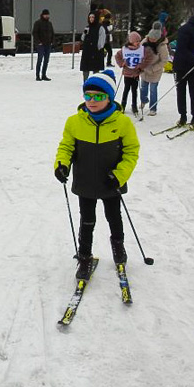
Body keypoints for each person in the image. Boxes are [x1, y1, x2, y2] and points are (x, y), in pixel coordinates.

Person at [54, 69, 140, 278]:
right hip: (85, 181)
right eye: (88, 95)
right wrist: (61, 164)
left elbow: (131, 152)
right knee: (87, 220)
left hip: (111, 182)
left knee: (113, 217)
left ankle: (118, 247)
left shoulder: (122, 123)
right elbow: (66, 147)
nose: (92, 101)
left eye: (99, 96)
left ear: (109, 98)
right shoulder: (75, 122)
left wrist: (119, 175)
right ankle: (84, 257)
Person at [115, 30, 155, 116]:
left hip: (136, 74)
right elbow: (117, 56)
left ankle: (134, 106)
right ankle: (123, 105)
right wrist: (122, 63)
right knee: (126, 90)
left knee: (134, 91)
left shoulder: (142, 49)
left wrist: (141, 65)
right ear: (131, 41)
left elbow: (149, 58)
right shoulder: (124, 49)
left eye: (139, 41)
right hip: (127, 73)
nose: (138, 43)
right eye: (136, 41)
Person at [140, 21, 169, 116]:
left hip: (155, 71)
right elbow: (138, 52)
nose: (151, 39)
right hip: (144, 69)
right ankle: (144, 100)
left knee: (153, 90)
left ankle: (153, 108)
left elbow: (164, 61)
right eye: (150, 37)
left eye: (153, 38)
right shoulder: (144, 42)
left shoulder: (162, 46)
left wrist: (153, 68)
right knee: (143, 87)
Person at [79, 12, 106, 82]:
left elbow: (102, 39)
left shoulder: (100, 27)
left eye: (93, 17)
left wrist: (98, 48)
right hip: (87, 51)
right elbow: (82, 38)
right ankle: (85, 81)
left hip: (95, 51)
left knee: (96, 68)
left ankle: (95, 82)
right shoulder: (87, 27)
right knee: (85, 68)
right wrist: (85, 33)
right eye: (90, 17)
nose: (91, 19)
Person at [32, 9, 55, 81]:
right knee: (40, 59)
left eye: (48, 15)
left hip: (48, 44)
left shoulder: (49, 24)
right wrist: (38, 42)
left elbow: (52, 33)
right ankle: (37, 75)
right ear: (42, 15)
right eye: (45, 14)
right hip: (41, 45)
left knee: (46, 60)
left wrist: (52, 41)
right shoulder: (38, 23)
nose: (47, 16)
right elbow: (34, 33)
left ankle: (44, 75)